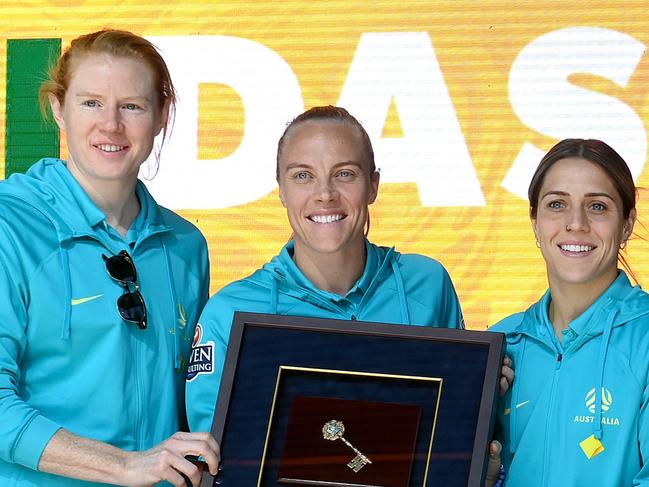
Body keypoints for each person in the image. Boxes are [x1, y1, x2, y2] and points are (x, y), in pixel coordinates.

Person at [185, 107, 511, 487]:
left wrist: (481, 387)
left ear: (373, 185)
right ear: (281, 188)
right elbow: (219, 466)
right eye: (303, 176)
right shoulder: (231, 312)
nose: (325, 194)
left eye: (344, 174)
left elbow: (452, 436)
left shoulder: (427, 284)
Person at [0, 30, 219, 486]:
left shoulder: (185, 246)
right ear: (59, 110)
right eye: (91, 103)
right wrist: (123, 466)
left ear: (162, 115)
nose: (111, 125)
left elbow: (192, 402)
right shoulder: (10, 225)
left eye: (133, 106)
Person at [491, 138, 649, 485]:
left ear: (626, 224)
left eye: (597, 207)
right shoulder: (501, 343)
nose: (575, 223)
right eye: (557, 204)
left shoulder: (645, 339)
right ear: (535, 221)